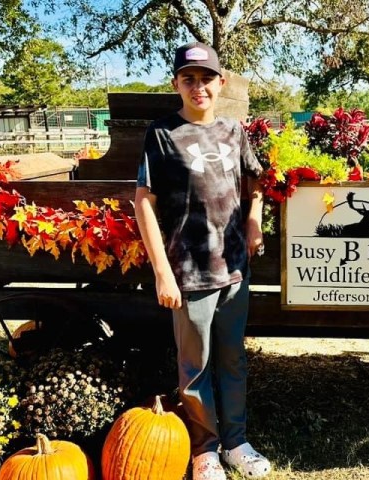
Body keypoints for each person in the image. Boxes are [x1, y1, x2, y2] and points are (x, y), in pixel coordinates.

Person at [134, 41, 271, 480]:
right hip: (188, 273)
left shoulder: (234, 131)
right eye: (189, 79)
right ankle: (204, 450)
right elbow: (144, 204)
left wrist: (253, 224)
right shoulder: (161, 134)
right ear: (176, 83)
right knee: (195, 368)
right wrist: (162, 273)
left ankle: (236, 442)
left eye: (207, 78)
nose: (199, 87)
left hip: (233, 270)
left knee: (233, 361)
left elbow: (256, 185)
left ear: (220, 82)